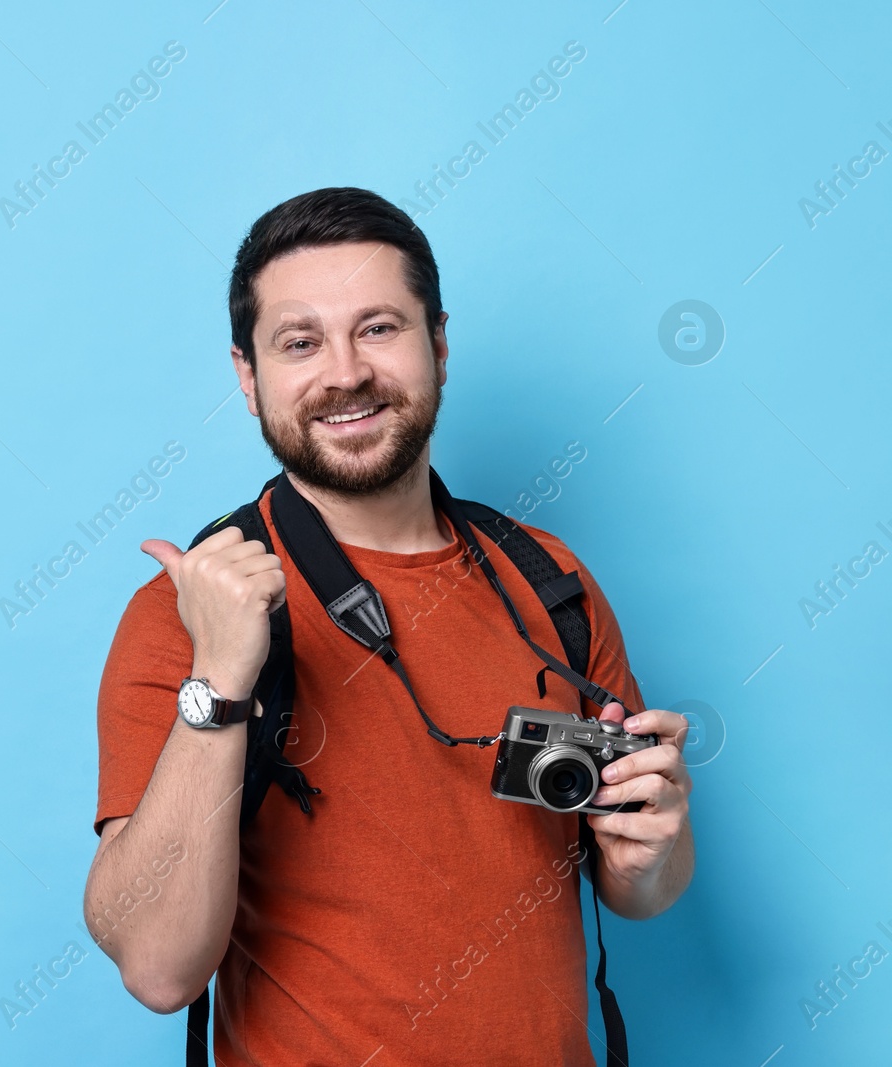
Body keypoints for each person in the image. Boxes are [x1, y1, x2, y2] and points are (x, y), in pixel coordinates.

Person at [82, 187, 694, 1065]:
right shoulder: (188, 612)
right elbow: (157, 968)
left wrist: (651, 854)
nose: (345, 372)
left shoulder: (551, 581)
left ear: (438, 345)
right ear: (248, 379)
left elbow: (641, 884)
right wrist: (220, 675)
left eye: (379, 328)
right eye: (300, 342)